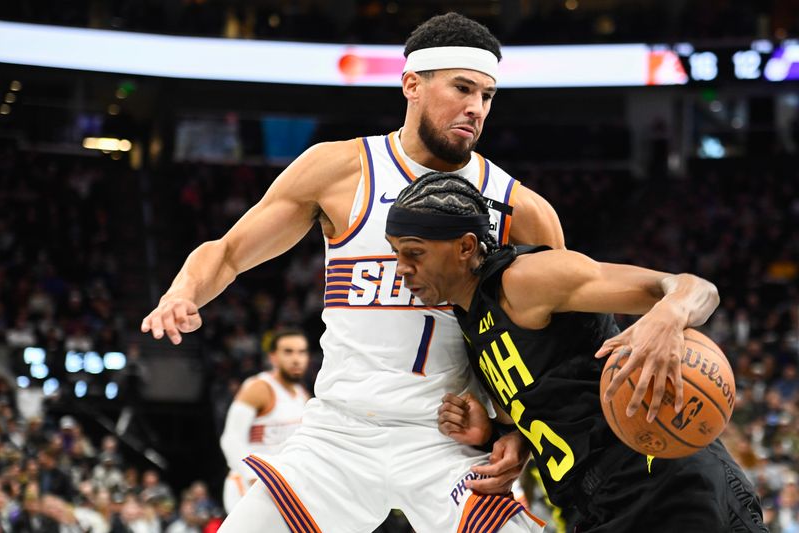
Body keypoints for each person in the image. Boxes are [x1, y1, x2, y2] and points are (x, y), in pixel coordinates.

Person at [141, 12, 678, 532]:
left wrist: (514, 429)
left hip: (448, 438)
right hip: (337, 435)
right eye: (462, 88)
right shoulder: (339, 170)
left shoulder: (521, 209)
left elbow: (554, 353)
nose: (476, 108)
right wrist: (182, 291)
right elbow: (229, 252)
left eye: (487, 96)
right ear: (411, 84)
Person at [385, 172, 768, 532]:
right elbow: (542, 413)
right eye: (397, 253)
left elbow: (696, 288)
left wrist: (669, 315)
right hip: (594, 505)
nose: (402, 268)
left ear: (466, 247)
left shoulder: (523, 279)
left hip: (668, 484)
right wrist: (497, 433)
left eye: (414, 253)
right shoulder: (471, 321)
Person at [219, 329, 310, 513]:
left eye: (302, 352)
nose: (296, 359)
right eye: (288, 351)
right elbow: (230, 439)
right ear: (273, 357)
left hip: (284, 487)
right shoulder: (259, 388)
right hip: (251, 483)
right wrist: (252, 477)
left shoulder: (302, 395)